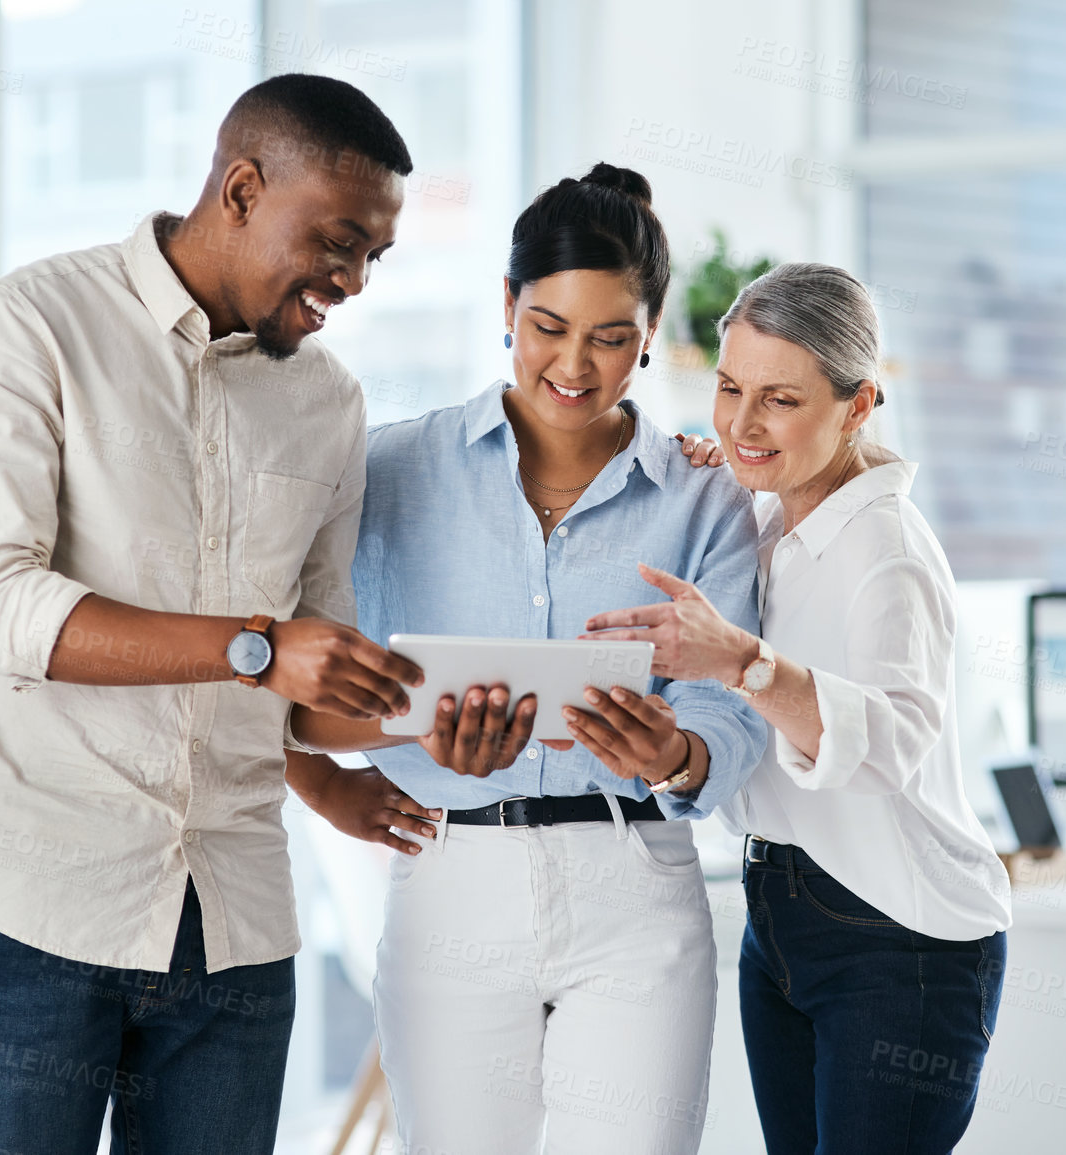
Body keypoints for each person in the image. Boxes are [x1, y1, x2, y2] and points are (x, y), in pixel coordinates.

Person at [0, 74, 427, 1154]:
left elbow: (312, 688)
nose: (352, 281)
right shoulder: (31, 326)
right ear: (242, 188)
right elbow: (0, 607)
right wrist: (255, 652)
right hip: (31, 914)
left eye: (374, 258)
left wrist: (439, 724)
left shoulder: (328, 401)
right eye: (338, 242)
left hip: (234, 932)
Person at [283, 163, 768, 1155]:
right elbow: (297, 699)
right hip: (449, 873)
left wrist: (674, 753)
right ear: (507, 306)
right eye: (549, 328)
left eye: (611, 338)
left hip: (635, 884)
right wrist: (417, 721)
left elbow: (739, 706)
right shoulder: (388, 471)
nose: (576, 368)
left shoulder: (702, 497)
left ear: (650, 333)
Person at [586, 262, 1013, 1154]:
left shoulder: (884, 551)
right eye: (730, 388)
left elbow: (890, 742)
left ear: (858, 407)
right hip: (780, 915)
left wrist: (744, 662)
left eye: (779, 399)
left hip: (902, 940)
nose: (742, 422)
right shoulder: (772, 517)